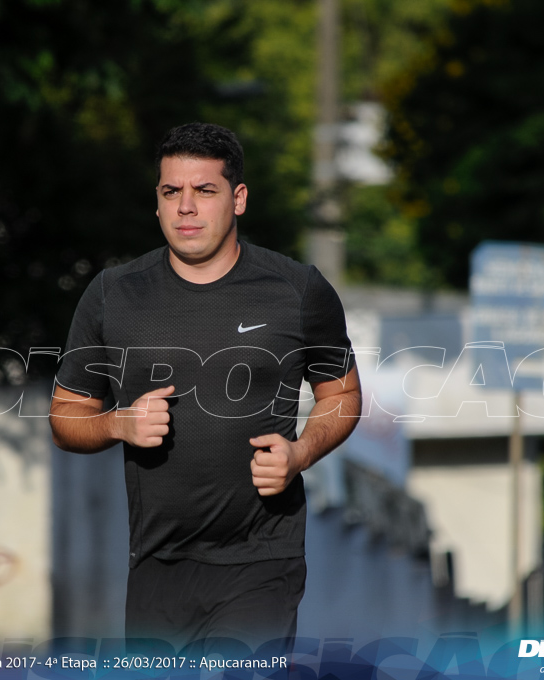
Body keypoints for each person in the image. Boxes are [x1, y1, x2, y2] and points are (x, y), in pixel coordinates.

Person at [48, 122, 361, 651]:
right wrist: (118, 423)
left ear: (237, 199)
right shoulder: (113, 295)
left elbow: (342, 395)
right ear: (157, 201)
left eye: (204, 191)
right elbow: (64, 416)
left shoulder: (297, 290)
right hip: (156, 565)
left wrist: (301, 452)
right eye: (172, 192)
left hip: (262, 558)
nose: (185, 207)